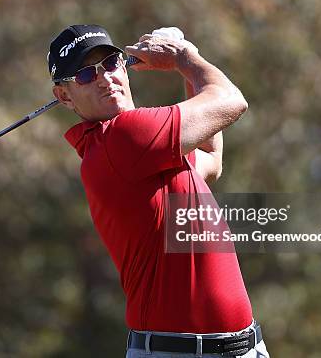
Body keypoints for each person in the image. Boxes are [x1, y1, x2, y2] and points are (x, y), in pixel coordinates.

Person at [47, 24, 269, 357]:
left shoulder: (139, 148)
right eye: (84, 75)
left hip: (244, 347)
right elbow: (232, 101)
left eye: (110, 63)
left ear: (123, 66)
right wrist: (183, 57)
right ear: (64, 96)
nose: (105, 78)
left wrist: (185, 63)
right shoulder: (124, 137)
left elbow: (210, 159)